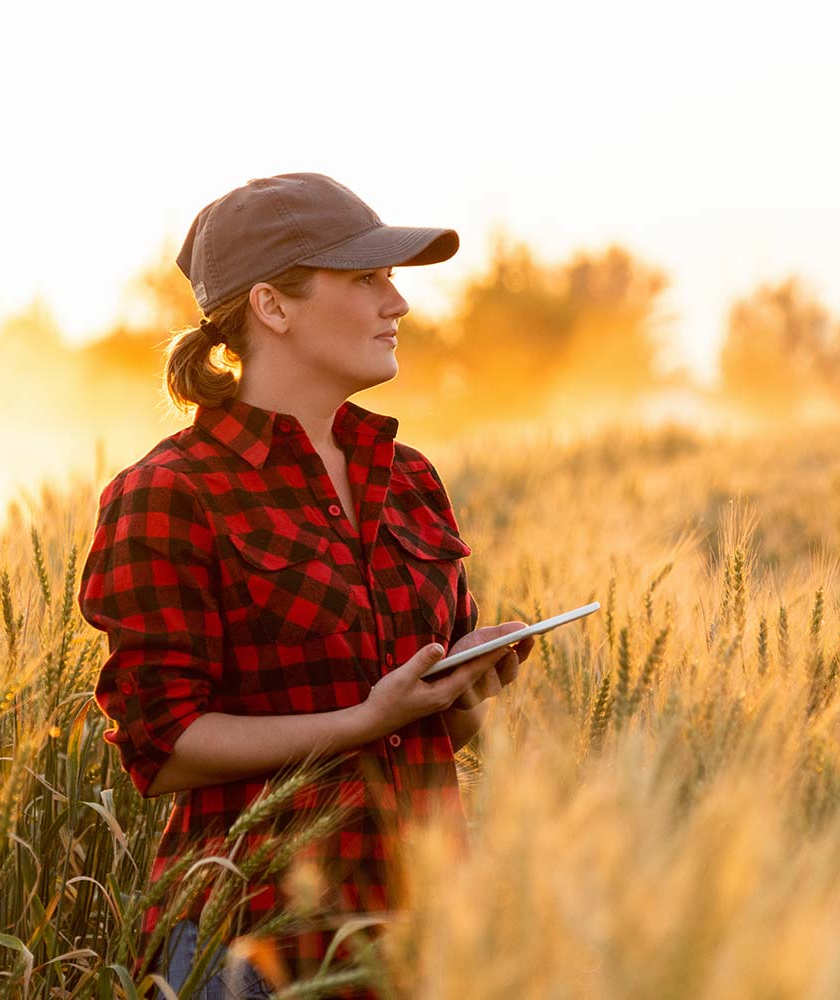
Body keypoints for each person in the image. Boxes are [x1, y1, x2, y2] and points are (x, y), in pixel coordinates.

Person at [77, 173, 534, 999]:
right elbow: (163, 746)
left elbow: (420, 742)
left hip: (418, 933)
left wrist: (462, 690)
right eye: (366, 279)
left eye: (391, 279)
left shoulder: (410, 478)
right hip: (251, 946)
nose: (398, 303)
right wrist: (366, 718)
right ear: (272, 307)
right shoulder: (172, 491)